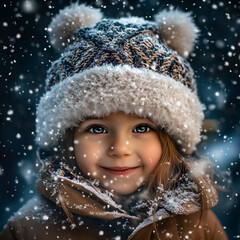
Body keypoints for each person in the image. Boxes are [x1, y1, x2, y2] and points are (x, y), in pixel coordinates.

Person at [0, 3, 228, 240]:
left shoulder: (199, 225)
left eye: (141, 128)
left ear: (170, 138)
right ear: (68, 137)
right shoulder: (29, 229)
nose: (120, 148)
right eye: (97, 128)